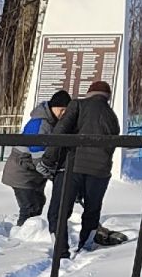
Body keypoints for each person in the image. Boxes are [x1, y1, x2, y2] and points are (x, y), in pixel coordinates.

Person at [46, 78, 123, 258]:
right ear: (107, 97)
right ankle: (86, 249)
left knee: (58, 212)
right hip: (99, 172)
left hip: (71, 167)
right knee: (91, 212)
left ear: (88, 93)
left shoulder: (77, 105)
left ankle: (60, 252)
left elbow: (60, 132)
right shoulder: (112, 116)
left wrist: (49, 159)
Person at [1, 89, 72, 226]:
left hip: (32, 175)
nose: (63, 114)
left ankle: (28, 235)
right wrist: (54, 176)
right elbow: (39, 158)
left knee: (37, 205)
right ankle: (21, 237)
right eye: (61, 110)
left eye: (66, 111)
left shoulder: (52, 123)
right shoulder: (40, 125)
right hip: (22, 174)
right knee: (29, 208)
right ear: (52, 107)